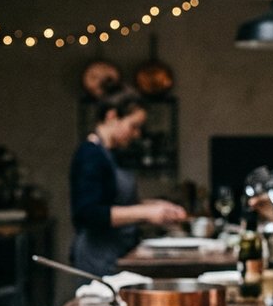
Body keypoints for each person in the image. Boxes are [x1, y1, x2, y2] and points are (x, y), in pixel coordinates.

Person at [69, 83, 186, 276]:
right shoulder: (90, 155)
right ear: (112, 116)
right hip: (97, 256)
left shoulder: (111, 154)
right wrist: (145, 212)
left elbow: (118, 203)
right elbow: (88, 213)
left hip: (116, 252)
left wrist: (156, 206)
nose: (136, 134)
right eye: (134, 126)